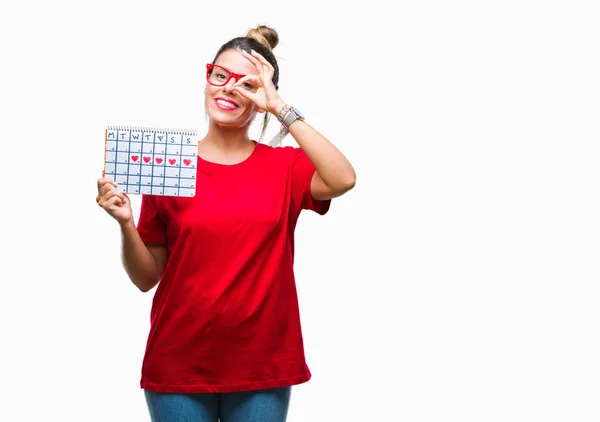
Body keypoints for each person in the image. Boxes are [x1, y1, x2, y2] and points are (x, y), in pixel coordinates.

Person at [96, 24, 356, 422]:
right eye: (221, 76)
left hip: (263, 363)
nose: (229, 89)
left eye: (246, 84)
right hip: (179, 361)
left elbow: (343, 179)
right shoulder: (170, 165)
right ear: (206, 81)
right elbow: (147, 277)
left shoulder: (284, 167)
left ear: (261, 98)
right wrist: (125, 224)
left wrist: (280, 106)